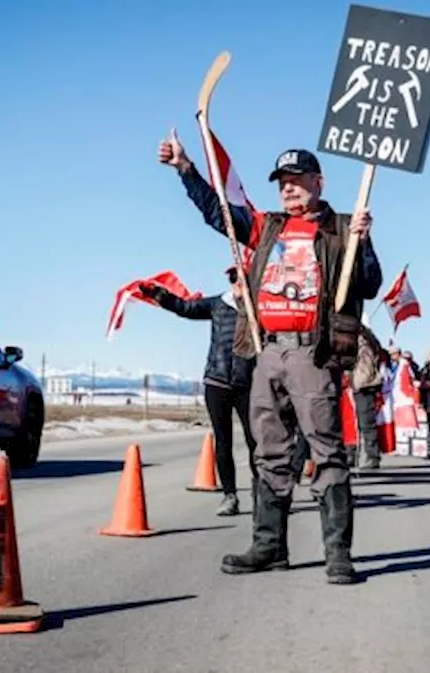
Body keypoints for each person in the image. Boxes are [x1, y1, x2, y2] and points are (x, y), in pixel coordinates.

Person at [158, 136, 383, 585]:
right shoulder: (267, 227)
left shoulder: (341, 227)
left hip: (311, 353)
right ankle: (268, 546)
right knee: (269, 451)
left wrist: (365, 241)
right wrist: (185, 169)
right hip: (267, 351)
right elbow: (216, 212)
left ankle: (337, 553)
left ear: (317, 182)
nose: (288, 188)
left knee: (326, 449)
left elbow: (370, 284)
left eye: (297, 180)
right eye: (283, 182)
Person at [140, 266, 256, 516]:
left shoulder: (259, 309)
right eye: (235, 279)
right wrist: (159, 295)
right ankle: (230, 496)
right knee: (222, 442)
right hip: (217, 382)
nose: (239, 284)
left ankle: (264, 495)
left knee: (255, 440)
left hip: (249, 384)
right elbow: (186, 308)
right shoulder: (217, 304)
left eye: (244, 279)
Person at [350, 323, 387, 469]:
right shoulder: (369, 344)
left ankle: (371, 455)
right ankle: (364, 454)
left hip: (364, 384)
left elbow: (365, 369)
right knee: (361, 423)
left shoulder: (364, 347)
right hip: (363, 384)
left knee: (366, 423)